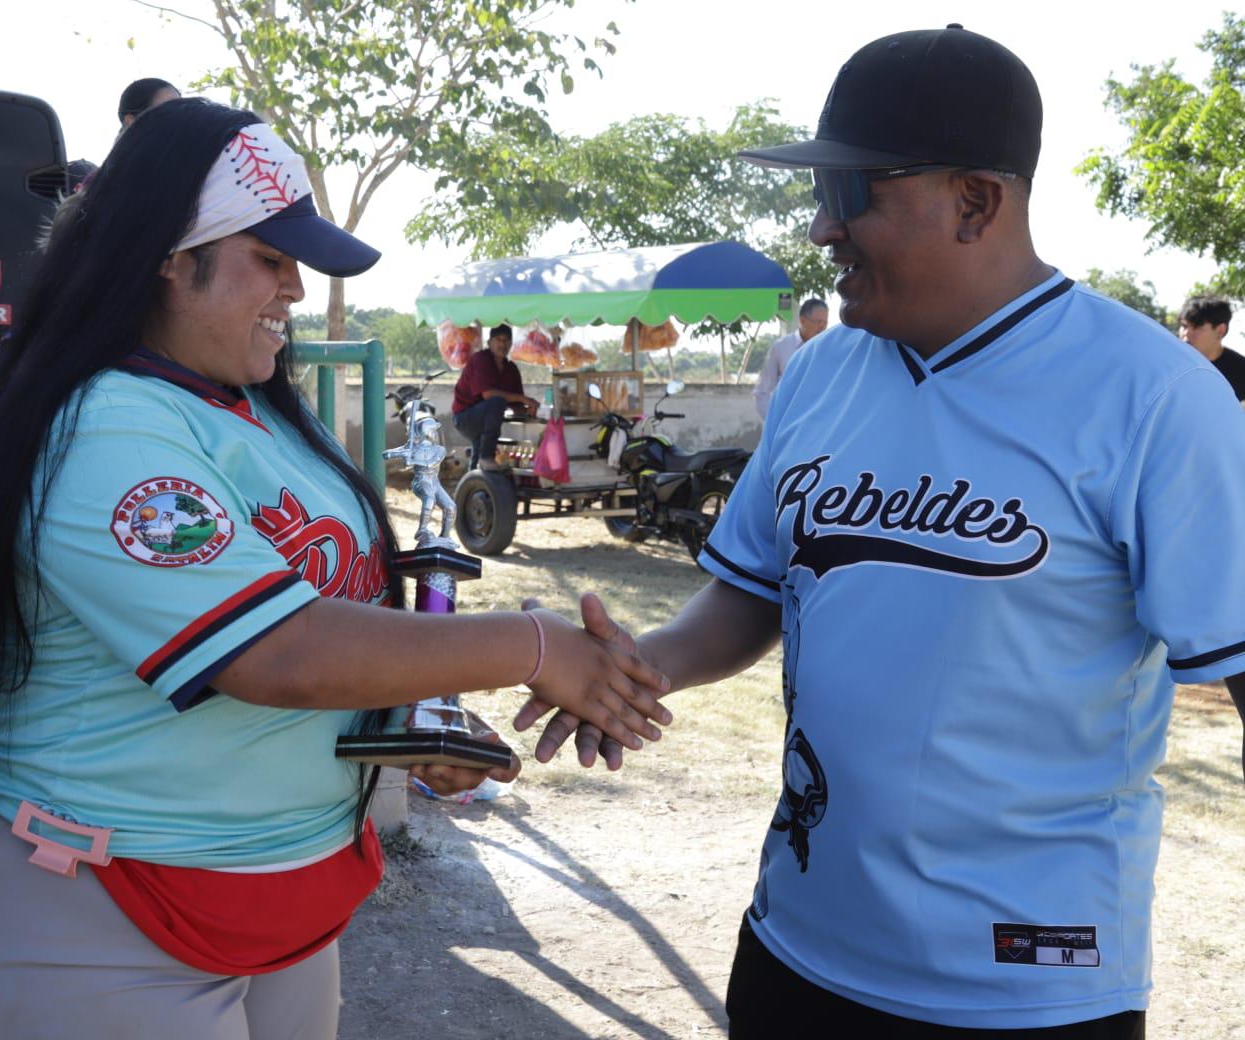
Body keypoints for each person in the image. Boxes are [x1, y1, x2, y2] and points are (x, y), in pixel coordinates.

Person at [0, 99, 671, 1040]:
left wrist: (396, 719)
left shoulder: (243, 408)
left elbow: (308, 619)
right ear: (172, 259)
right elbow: (274, 653)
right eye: (271, 257)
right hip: (98, 907)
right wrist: (535, 647)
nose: (294, 289)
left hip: (267, 900)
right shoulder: (101, 422)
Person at [520, 24, 1245, 1039]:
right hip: (799, 948)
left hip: (1027, 986)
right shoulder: (824, 372)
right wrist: (637, 667)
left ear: (976, 201)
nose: (822, 229)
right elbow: (753, 587)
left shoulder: (1158, 398)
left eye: (852, 194)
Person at [452, 323, 539, 469]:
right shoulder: (480, 360)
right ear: (489, 342)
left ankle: (474, 483)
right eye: (498, 339)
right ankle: (487, 457)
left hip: (485, 417)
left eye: (506, 340)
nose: (502, 344)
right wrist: (523, 399)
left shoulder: (511, 369)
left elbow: (517, 404)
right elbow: (488, 395)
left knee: (478, 451)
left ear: (511, 343)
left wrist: (529, 410)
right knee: (496, 402)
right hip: (465, 417)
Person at [752, 297, 827, 420]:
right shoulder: (781, 348)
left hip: (818, 425)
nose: (822, 328)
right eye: (818, 322)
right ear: (802, 320)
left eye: (825, 323)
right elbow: (761, 392)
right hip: (786, 424)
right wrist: (774, 422)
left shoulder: (828, 350)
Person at [1177, 294, 1245, 401]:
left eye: (1196, 327)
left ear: (1220, 330)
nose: (1186, 333)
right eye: (1184, 326)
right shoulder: (1171, 365)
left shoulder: (1241, 371)